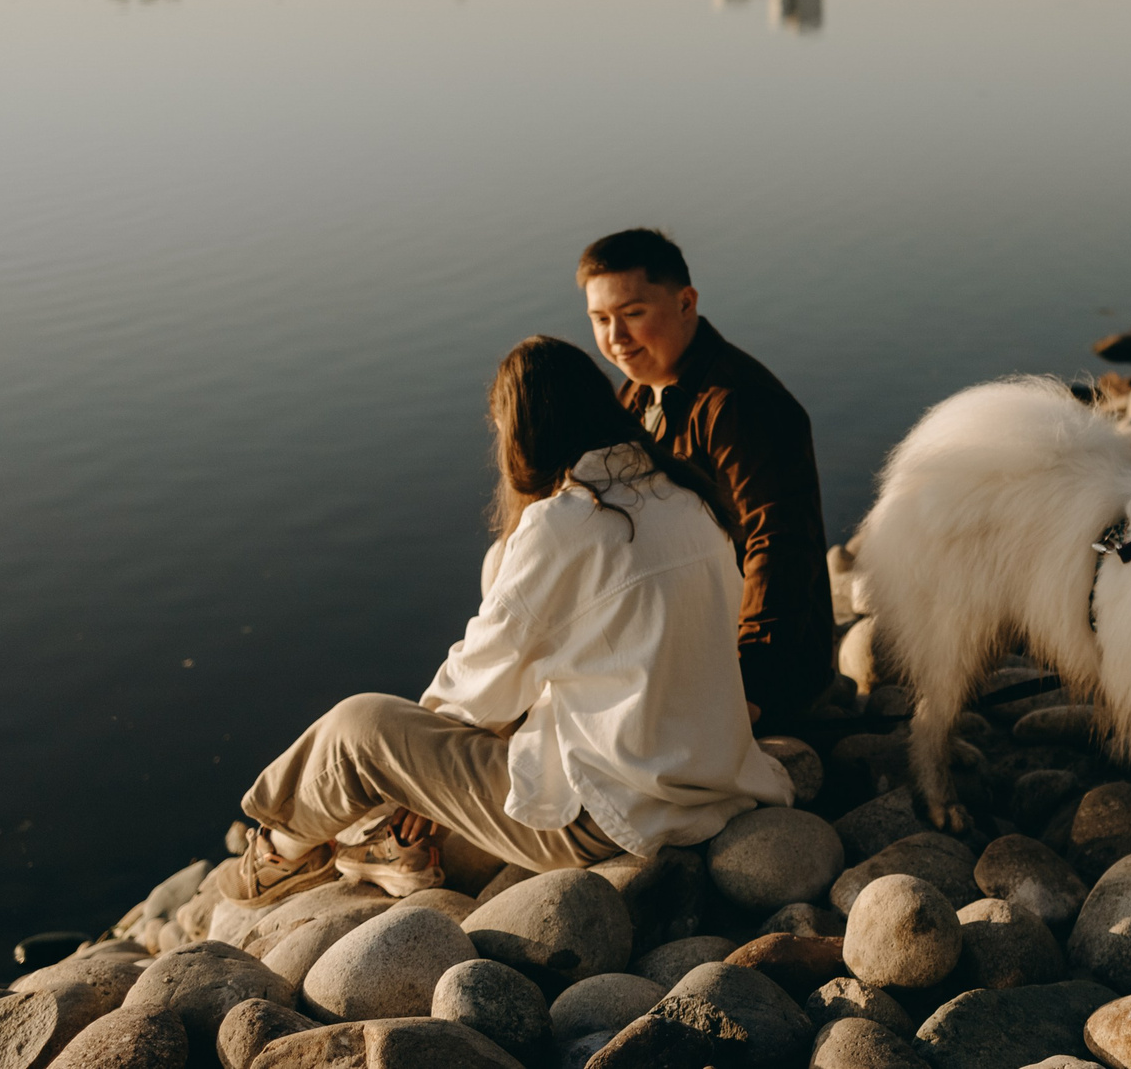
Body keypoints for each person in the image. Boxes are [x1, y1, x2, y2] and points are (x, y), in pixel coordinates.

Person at [215, 336, 791, 904]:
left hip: (608, 812)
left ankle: (276, 857)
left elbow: (481, 676)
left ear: (524, 432)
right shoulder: (685, 495)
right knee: (502, 570)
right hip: (707, 774)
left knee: (358, 730)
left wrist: (418, 780)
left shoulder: (567, 522)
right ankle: (354, 845)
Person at [579, 229, 835, 725]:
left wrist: (751, 686)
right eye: (600, 319)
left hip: (757, 674)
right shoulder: (635, 398)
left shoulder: (739, 404)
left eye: (632, 314)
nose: (615, 338)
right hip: (681, 641)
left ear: (686, 303)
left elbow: (779, 544)